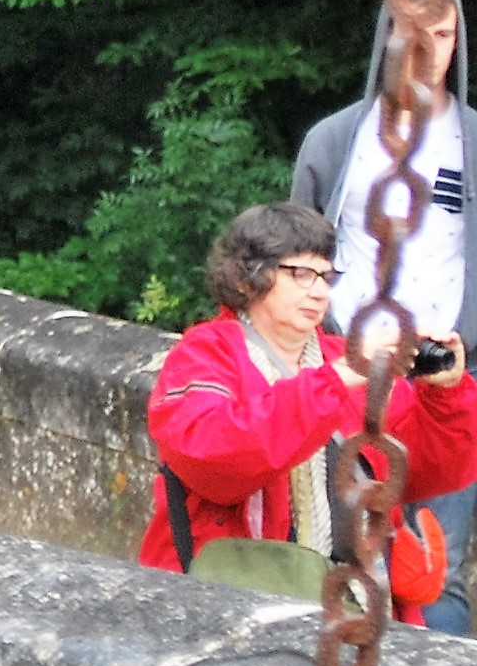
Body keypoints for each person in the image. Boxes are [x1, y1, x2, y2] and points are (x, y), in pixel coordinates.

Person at [139, 200, 476, 620]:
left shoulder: (342, 359)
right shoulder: (205, 354)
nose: (318, 292)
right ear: (245, 278)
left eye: (325, 276)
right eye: (300, 274)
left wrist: (445, 397)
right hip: (228, 597)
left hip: (355, 604)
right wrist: (333, 381)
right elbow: (214, 458)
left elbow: (425, 471)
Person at [294, 0, 476, 632]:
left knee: (435, 570)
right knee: (332, 554)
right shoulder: (335, 140)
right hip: (346, 372)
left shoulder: (471, 141)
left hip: (443, 379)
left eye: (443, 35)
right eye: (412, 33)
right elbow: (294, 254)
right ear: (386, 36)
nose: (428, 50)